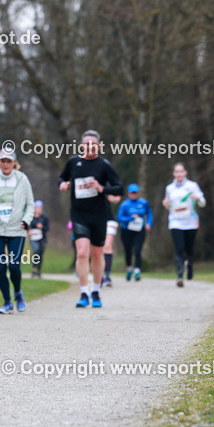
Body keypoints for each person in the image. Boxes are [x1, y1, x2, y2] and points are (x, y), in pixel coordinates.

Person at [58, 130, 123, 308]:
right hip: (79, 214)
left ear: (99, 146)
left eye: (93, 144)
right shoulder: (73, 162)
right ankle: (83, 292)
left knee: (97, 254)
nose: (90, 147)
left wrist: (102, 188)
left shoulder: (104, 165)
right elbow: (62, 177)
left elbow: (119, 188)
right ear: (81, 146)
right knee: (81, 252)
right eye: (86, 144)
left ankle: (96, 290)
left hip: (99, 215)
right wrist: (62, 184)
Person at [0, 148, 35, 314]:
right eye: (3, 161)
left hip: (16, 228)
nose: (6, 164)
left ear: (14, 163)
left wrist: (26, 220)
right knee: (0, 267)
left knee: (14, 266)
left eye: (9, 161)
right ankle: (7, 301)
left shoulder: (22, 179)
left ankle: (18, 293)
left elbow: (30, 204)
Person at [163, 162, 205, 287]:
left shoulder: (192, 186)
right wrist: (165, 204)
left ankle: (190, 265)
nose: (179, 174)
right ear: (174, 174)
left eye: (181, 171)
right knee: (179, 248)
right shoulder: (169, 188)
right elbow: (168, 204)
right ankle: (180, 276)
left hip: (191, 222)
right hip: (175, 222)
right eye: (176, 172)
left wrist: (196, 198)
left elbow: (203, 202)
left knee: (189, 249)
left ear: (185, 172)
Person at [118, 184, 153, 281]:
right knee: (128, 250)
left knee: (138, 250)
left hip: (139, 230)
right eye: (132, 193)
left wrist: (148, 223)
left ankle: (137, 270)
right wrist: (130, 218)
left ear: (138, 193)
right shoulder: (125, 204)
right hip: (126, 230)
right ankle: (129, 268)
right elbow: (119, 217)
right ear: (129, 193)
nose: (134, 194)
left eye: (135, 193)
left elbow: (149, 213)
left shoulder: (143, 202)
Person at [102, 195, 122, 286]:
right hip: (95, 220)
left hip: (109, 220)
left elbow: (117, 198)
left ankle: (107, 276)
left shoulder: (106, 183)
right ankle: (100, 276)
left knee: (107, 246)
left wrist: (111, 197)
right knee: (99, 249)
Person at [28, 200, 50, 278]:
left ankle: (39, 271)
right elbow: (27, 226)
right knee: (36, 251)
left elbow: (47, 228)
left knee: (40, 254)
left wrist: (42, 227)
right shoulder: (31, 217)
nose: (38, 209)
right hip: (33, 239)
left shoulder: (44, 217)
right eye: (37, 207)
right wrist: (28, 231)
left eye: (40, 208)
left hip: (42, 239)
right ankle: (34, 269)